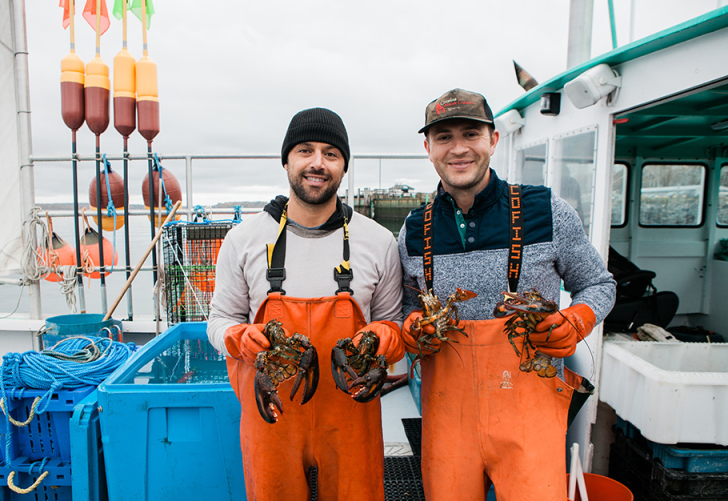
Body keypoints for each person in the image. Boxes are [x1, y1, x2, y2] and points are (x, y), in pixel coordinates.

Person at [398, 89, 616, 501]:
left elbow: (599, 285)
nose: (458, 148)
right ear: (428, 148)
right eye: (443, 137)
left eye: (471, 134)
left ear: (493, 140)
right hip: (447, 425)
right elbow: (408, 307)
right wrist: (410, 328)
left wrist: (576, 320)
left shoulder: (547, 211)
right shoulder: (413, 229)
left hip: (529, 421)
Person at [207, 107, 405, 501]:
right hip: (273, 413)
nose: (318, 163)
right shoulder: (243, 240)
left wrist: (384, 335)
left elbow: (394, 324)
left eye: (331, 154)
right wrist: (237, 337)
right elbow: (219, 320)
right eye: (305, 150)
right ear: (286, 160)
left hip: (351, 416)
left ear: (344, 167)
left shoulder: (379, 241)